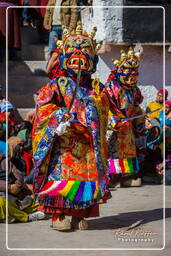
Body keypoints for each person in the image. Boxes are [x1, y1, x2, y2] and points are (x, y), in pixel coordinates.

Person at [32, 23, 127, 231]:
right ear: (64, 57)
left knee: (85, 182)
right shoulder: (58, 85)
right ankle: (57, 216)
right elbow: (43, 107)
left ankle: (78, 215)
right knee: (60, 180)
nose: (78, 56)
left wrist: (107, 112)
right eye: (73, 52)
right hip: (64, 143)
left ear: (92, 59)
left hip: (86, 145)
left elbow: (110, 106)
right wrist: (58, 116)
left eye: (84, 52)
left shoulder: (95, 87)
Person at [104, 47, 144, 187]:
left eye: (134, 72)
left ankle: (127, 177)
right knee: (113, 152)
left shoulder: (133, 90)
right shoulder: (111, 87)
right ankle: (113, 178)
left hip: (128, 128)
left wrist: (140, 119)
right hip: (115, 126)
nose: (132, 75)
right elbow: (105, 105)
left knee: (128, 151)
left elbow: (136, 106)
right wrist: (112, 120)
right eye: (128, 71)